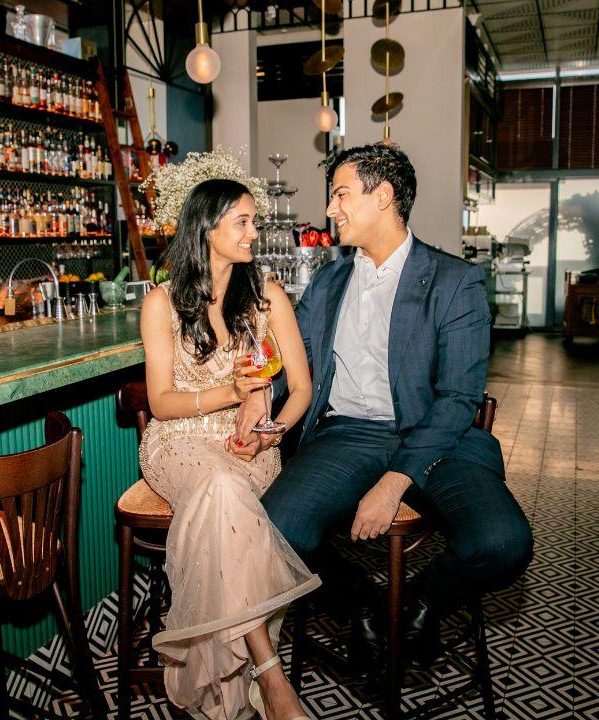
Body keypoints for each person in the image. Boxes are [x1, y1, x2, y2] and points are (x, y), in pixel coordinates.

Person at [247, 143, 534, 676]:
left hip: (436, 437)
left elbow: (459, 398)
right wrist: (261, 393)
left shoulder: (454, 281)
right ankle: (367, 607)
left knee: (504, 542)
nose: (330, 210)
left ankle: (423, 599)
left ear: (383, 197)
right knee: (275, 529)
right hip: (347, 435)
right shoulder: (328, 282)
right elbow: (297, 364)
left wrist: (397, 477)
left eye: (340, 194)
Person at [138, 178, 320, 720]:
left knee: (226, 498)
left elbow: (303, 389)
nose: (254, 231)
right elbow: (161, 402)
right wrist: (231, 392)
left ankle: (234, 682)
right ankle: (269, 671)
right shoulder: (161, 303)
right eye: (242, 221)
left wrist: (271, 431)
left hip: (252, 446)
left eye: (253, 221)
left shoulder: (268, 299)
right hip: (179, 441)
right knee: (220, 489)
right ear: (206, 228)